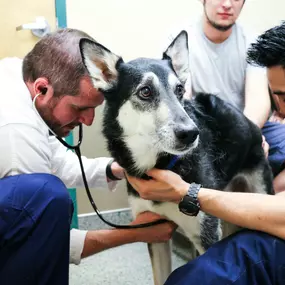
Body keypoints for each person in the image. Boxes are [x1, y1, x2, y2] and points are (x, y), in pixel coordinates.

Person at [0, 28, 177, 285]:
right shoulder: (15, 133)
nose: (89, 120)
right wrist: (135, 233)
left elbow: (55, 160)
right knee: (50, 198)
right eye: (80, 108)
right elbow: (42, 239)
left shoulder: (19, 74)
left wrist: (115, 169)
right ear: (43, 89)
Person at [127, 22, 285, 285]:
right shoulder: (185, 46)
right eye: (278, 97)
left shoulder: (246, 40)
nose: (280, 110)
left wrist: (188, 193)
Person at [164, 0, 285, 189]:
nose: (227, 4)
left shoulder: (251, 41)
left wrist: (246, 137)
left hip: (246, 124)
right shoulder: (181, 39)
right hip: (204, 127)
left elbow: (259, 101)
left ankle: (266, 205)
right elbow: (182, 101)